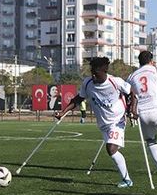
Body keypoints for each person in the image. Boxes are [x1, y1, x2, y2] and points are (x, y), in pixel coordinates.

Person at [56, 57, 138, 188]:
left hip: (117, 120)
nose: (93, 75)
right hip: (103, 123)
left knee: (111, 148)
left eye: (96, 72)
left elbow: (132, 93)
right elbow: (78, 99)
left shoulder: (115, 82)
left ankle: (127, 180)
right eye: (92, 72)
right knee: (112, 149)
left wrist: (133, 109)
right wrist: (62, 112)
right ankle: (126, 177)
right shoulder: (88, 83)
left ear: (104, 70)